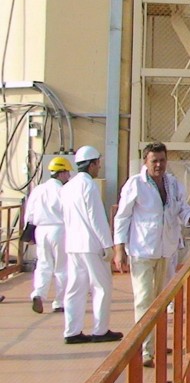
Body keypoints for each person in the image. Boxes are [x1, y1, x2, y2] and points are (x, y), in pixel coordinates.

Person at [113, 142, 190, 367]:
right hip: (142, 250)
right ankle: (145, 350)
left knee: (163, 301)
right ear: (145, 161)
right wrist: (119, 249)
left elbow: (181, 208)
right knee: (144, 300)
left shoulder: (172, 184)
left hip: (166, 250)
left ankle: (156, 342)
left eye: (162, 160)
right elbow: (122, 217)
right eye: (154, 161)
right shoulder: (135, 185)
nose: (158, 165)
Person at [61, 145, 120, 344]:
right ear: (92, 164)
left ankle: (72, 331)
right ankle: (100, 330)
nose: (99, 167)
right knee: (102, 287)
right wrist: (108, 245)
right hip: (91, 245)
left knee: (75, 288)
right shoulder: (89, 185)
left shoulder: (68, 186)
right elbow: (96, 217)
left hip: (73, 245)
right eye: (98, 163)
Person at [24, 156, 72, 314]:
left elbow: (29, 213)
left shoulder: (38, 189)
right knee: (61, 267)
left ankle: (38, 293)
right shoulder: (63, 191)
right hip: (59, 229)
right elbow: (69, 213)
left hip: (41, 230)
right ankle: (59, 302)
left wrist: (29, 233)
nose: (69, 176)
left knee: (43, 265)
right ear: (61, 173)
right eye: (67, 173)